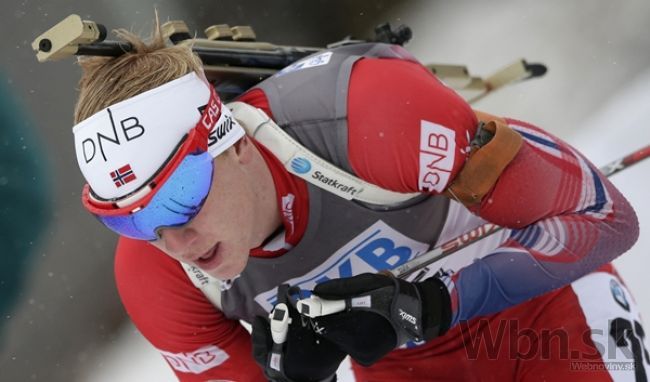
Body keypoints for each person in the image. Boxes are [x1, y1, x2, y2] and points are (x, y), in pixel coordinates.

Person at [69, 21, 647, 382]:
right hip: (405, 370)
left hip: (545, 315)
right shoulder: (155, 277)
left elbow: (604, 217)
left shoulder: (366, 118)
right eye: (132, 221)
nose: (175, 242)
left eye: (180, 197)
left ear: (235, 146)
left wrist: (430, 303)